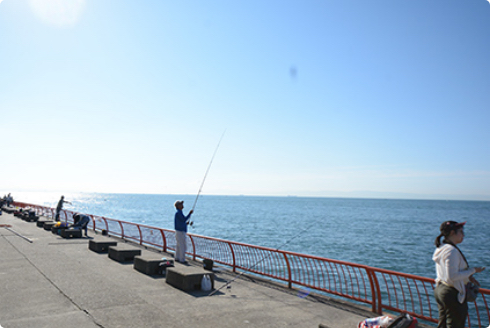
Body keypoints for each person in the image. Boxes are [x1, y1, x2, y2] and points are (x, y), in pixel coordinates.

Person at [433, 221, 485, 328]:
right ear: (452, 233)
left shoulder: (442, 247)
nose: (463, 235)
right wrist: (473, 270)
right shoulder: (451, 251)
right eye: (461, 232)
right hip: (452, 292)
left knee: (442, 324)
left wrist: (468, 277)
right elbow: (452, 276)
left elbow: (450, 271)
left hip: (440, 289)